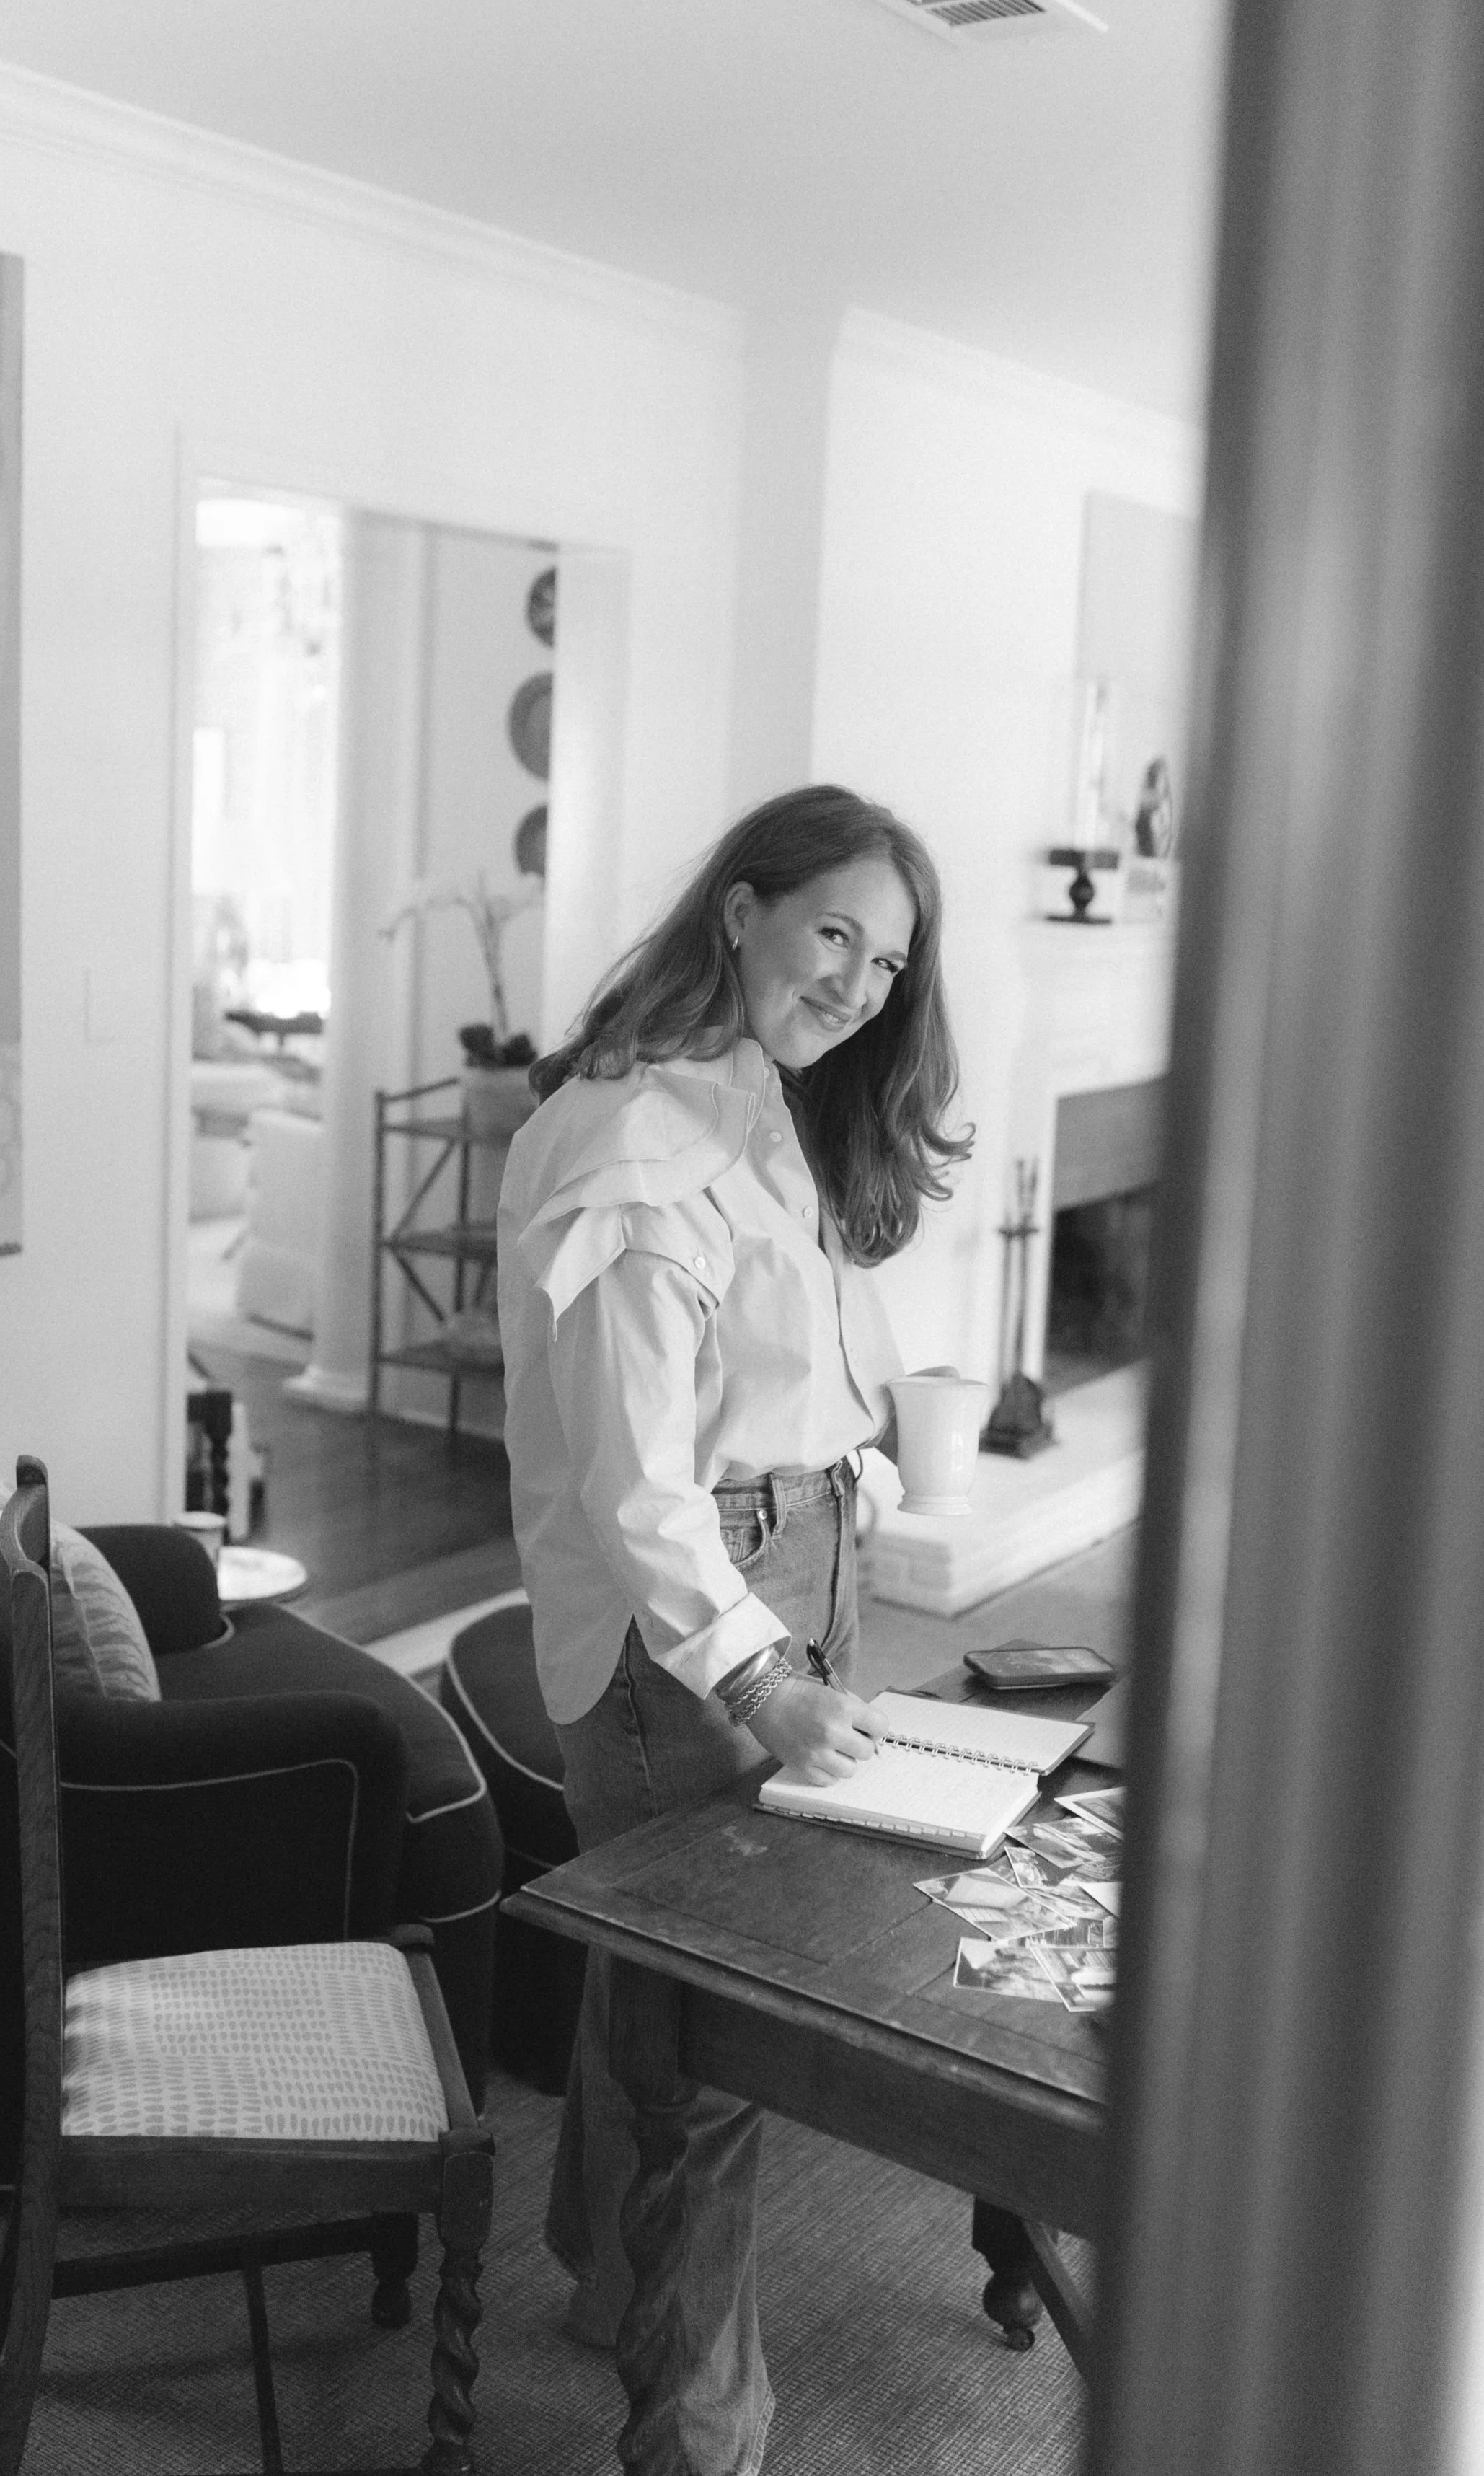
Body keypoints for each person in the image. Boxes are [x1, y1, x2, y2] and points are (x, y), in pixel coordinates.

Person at [496, 782, 973, 2476]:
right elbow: (639, 1491)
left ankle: (598, 2279)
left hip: (793, 1561)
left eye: (886, 958)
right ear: (742, 910)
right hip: (689, 1626)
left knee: (665, 1984)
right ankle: (700, 2446)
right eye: (831, 931)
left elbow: (773, 1370)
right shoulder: (636, 1145)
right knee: (718, 2051)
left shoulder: (763, 1097)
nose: (856, 979)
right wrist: (762, 1674)